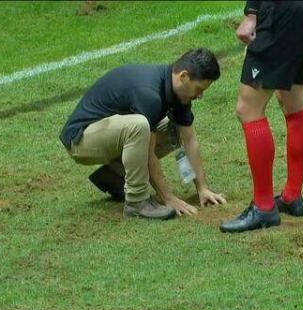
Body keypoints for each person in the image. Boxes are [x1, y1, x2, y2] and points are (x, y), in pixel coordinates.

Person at [59, 48, 227, 220]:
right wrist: (168, 198)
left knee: (173, 129)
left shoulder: (178, 93)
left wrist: (202, 188)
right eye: (198, 89)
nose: (200, 96)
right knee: (139, 126)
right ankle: (136, 203)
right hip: (80, 140)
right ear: (183, 77)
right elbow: (148, 153)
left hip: (107, 134)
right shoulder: (149, 93)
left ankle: (114, 175)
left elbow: (190, 139)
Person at [220, 0, 303, 233]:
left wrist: (252, 13)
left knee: (248, 108)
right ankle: (292, 196)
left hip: (280, 10)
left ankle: (264, 207)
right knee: (291, 96)